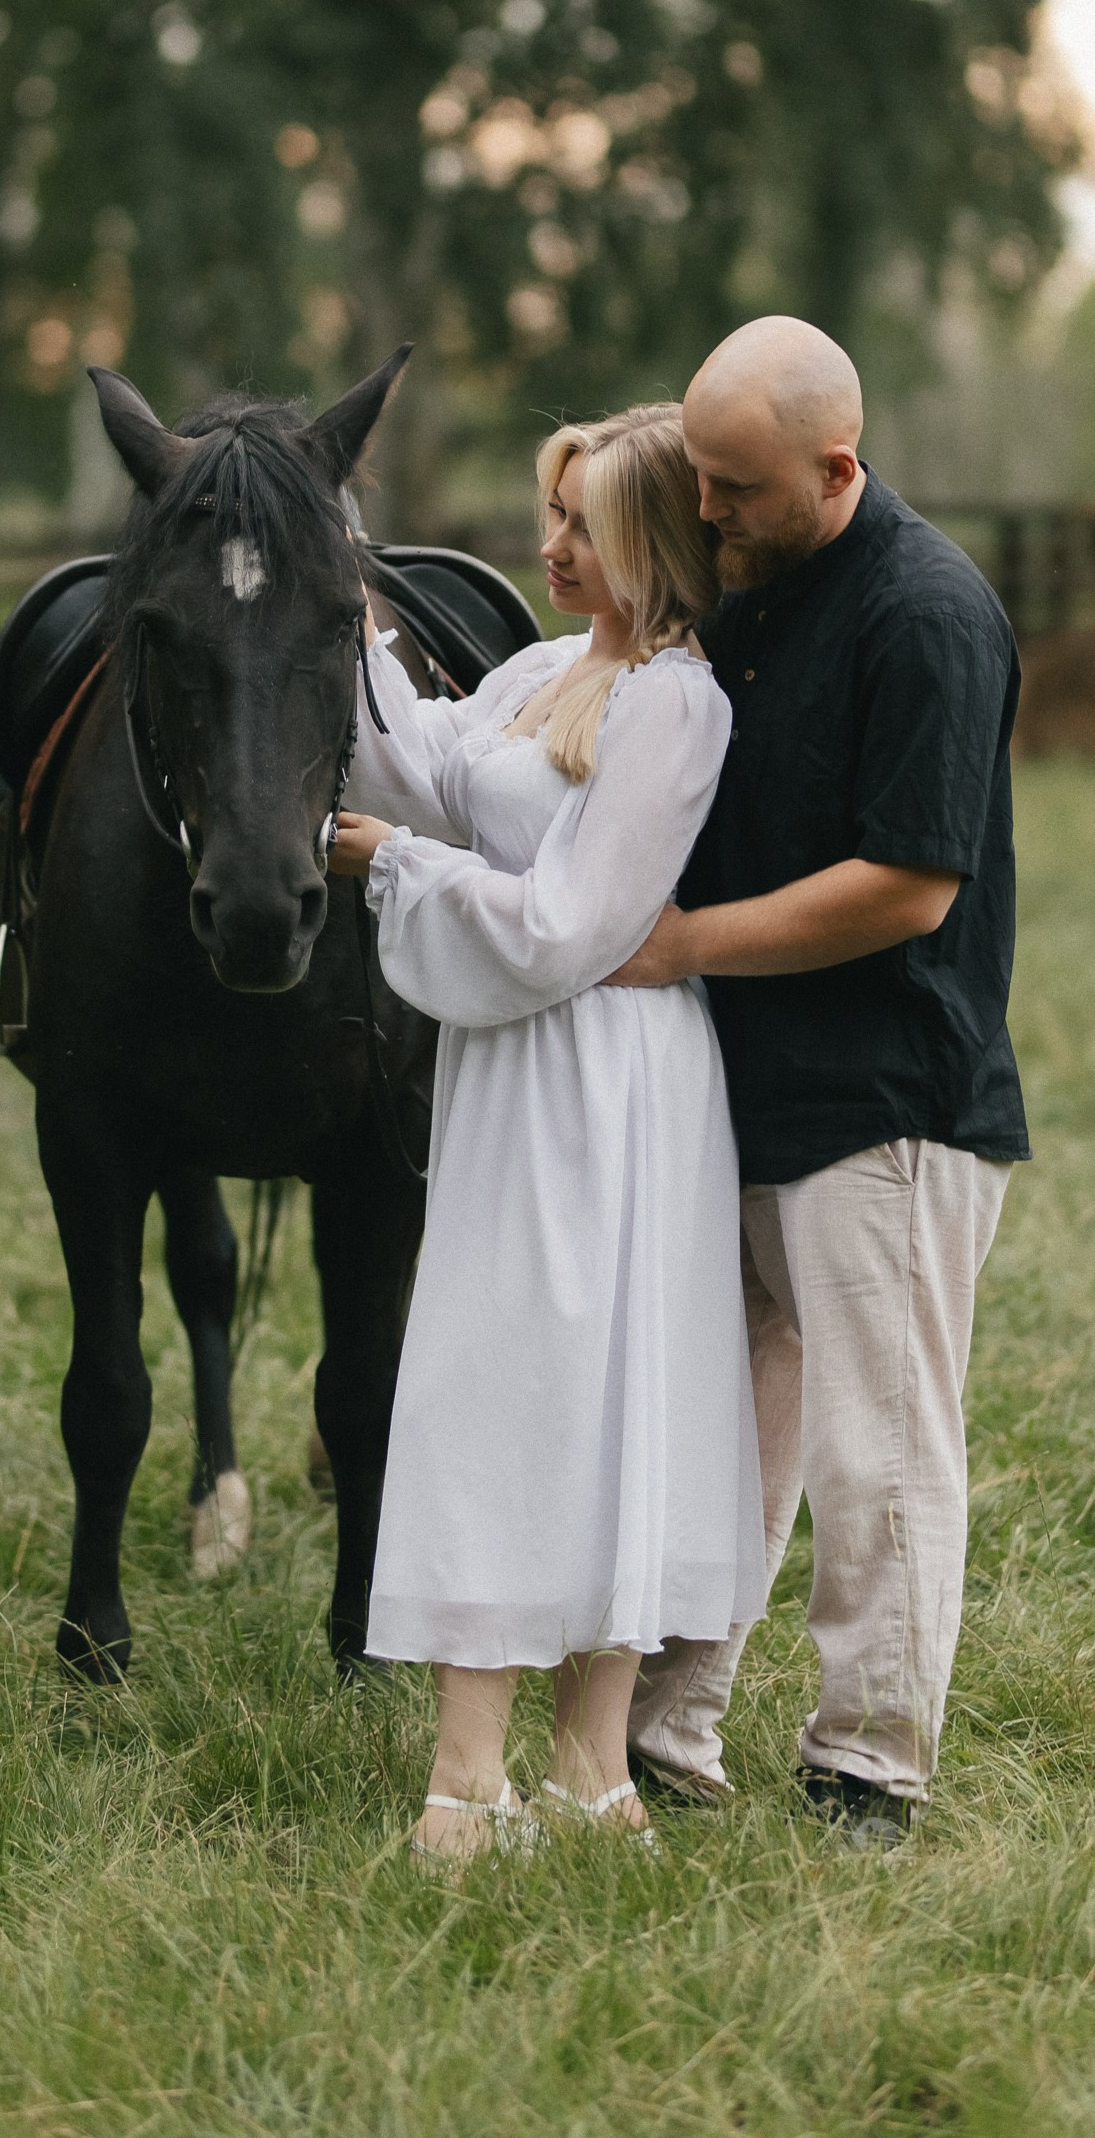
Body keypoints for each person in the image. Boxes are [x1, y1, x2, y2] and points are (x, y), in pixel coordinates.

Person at [328, 404, 766, 1864]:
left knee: (584, 1384)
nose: (549, 545)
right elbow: (420, 768)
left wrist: (402, 869)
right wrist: (348, 619)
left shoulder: (675, 705)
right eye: (553, 514)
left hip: (607, 1082)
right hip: (516, 1071)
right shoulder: (538, 668)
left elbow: (580, 924)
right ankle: (495, 1780)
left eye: (582, 524)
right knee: (508, 1379)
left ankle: (570, 1772)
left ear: (650, 541)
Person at [611, 317, 1026, 1846]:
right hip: (754, 1090)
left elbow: (910, 884)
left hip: (891, 1105)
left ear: (837, 469)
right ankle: (672, 1720)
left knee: (884, 1453)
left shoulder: (927, 613)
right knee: (737, 1431)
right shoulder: (758, 597)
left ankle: (871, 1769)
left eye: (733, 485)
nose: (705, 510)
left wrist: (679, 946)